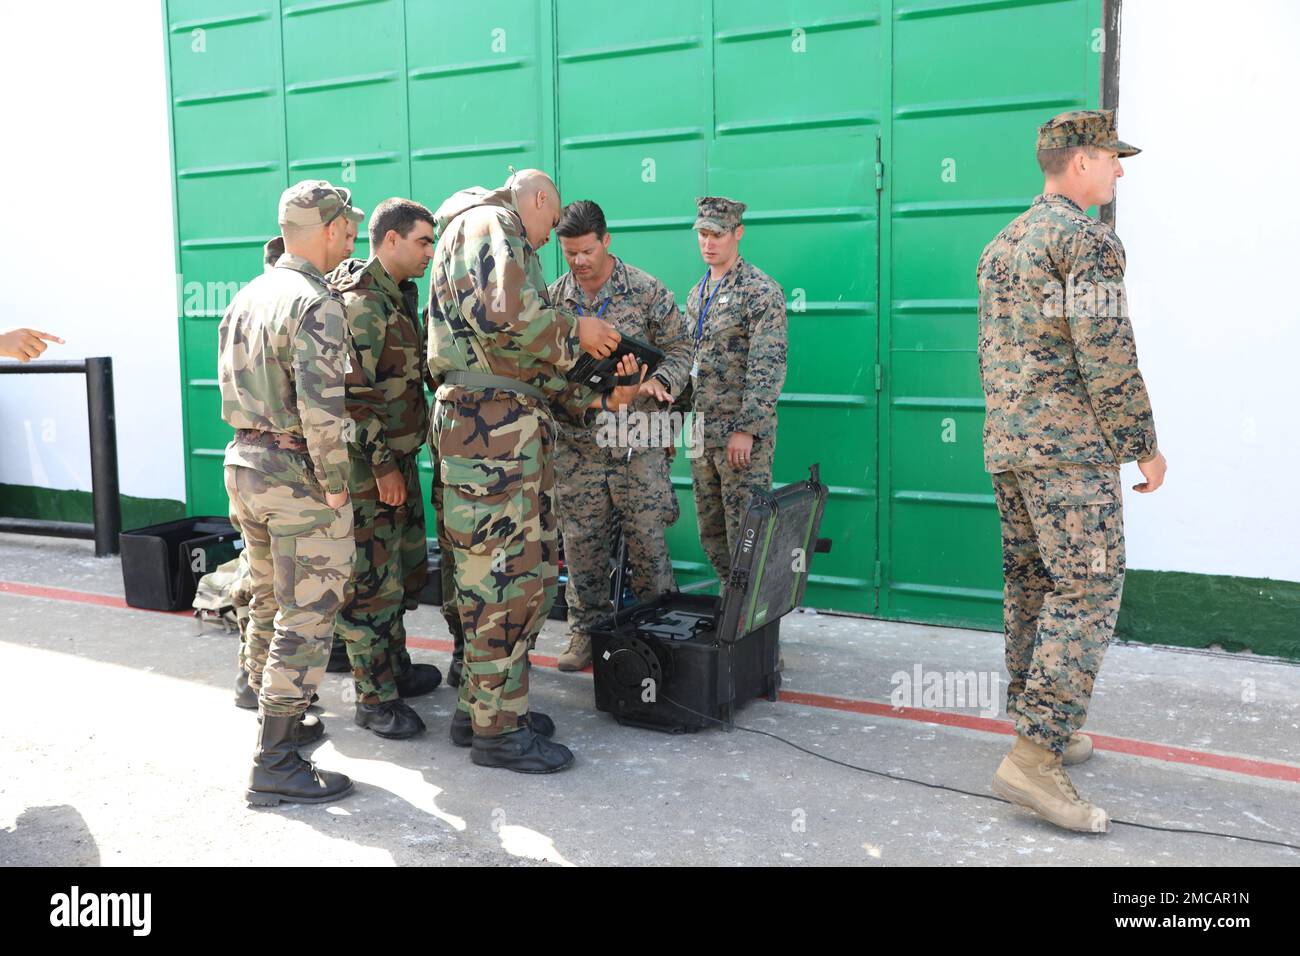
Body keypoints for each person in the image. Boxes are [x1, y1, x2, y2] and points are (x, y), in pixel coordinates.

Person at [978, 109, 1166, 833]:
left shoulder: (1002, 245)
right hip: (1069, 454)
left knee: (1033, 581)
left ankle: (1042, 727)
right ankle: (1033, 759)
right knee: (1086, 587)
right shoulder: (1084, 242)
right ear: (1081, 160)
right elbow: (1107, 351)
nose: (1119, 171)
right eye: (1113, 158)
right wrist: (1141, 442)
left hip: (1012, 447)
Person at [426, 169, 639, 773]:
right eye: (550, 225)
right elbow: (511, 317)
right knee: (507, 579)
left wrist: (597, 399)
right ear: (540, 199)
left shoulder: (469, 232)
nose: (549, 241)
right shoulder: (495, 223)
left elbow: (512, 352)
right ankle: (500, 731)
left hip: (495, 421)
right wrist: (579, 329)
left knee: (513, 574)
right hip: (492, 430)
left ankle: (482, 709)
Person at [219, 179, 362, 806]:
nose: (353, 237)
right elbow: (322, 409)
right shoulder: (315, 302)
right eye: (349, 227)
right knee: (307, 615)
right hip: (297, 473)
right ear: (328, 229)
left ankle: (271, 705)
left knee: (270, 596)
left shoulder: (249, 293)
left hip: (245, 464)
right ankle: (275, 759)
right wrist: (335, 486)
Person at [547, 199, 693, 671]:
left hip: (639, 440)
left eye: (587, 250)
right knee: (582, 545)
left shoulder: (647, 291)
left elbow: (682, 348)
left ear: (606, 240)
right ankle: (585, 635)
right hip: (579, 445)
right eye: (570, 253)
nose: (580, 261)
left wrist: (660, 382)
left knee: (648, 543)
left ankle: (662, 634)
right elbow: (542, 369)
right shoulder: (552, 302)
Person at [326, 198, 444, 739]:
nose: (430, 251)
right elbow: (350, 397)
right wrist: (380, 466)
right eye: (423, 241)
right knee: (370, 582)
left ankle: (393, 670)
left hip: (396, 457)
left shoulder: (399, 295)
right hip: (367, 468)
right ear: (390, 240)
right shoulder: (362, 304)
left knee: (402, 571)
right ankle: (372, 699)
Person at [684, 197, 787, 583]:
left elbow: (768, 364)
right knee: (712, 534)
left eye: (717, 234)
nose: (708, 243)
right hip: (702, 435)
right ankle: (733, 610)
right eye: (703, 234)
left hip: (739, 440)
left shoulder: (760, 291)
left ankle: (754, 625)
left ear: (738, 233)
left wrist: (747, 428)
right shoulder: (697, 294)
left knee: (748, 535)